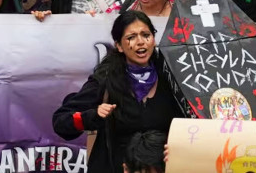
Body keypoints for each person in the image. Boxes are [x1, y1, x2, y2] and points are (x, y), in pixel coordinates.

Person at [53, 11, 182, 171]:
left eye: (145, 35)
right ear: (119, 46)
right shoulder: (106, 79)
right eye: (131, 37)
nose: (140, 42)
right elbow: (61, 122)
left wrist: (179, 148)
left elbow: (192, 127)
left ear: (153, 40)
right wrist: (93, 116)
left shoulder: (171, 77)